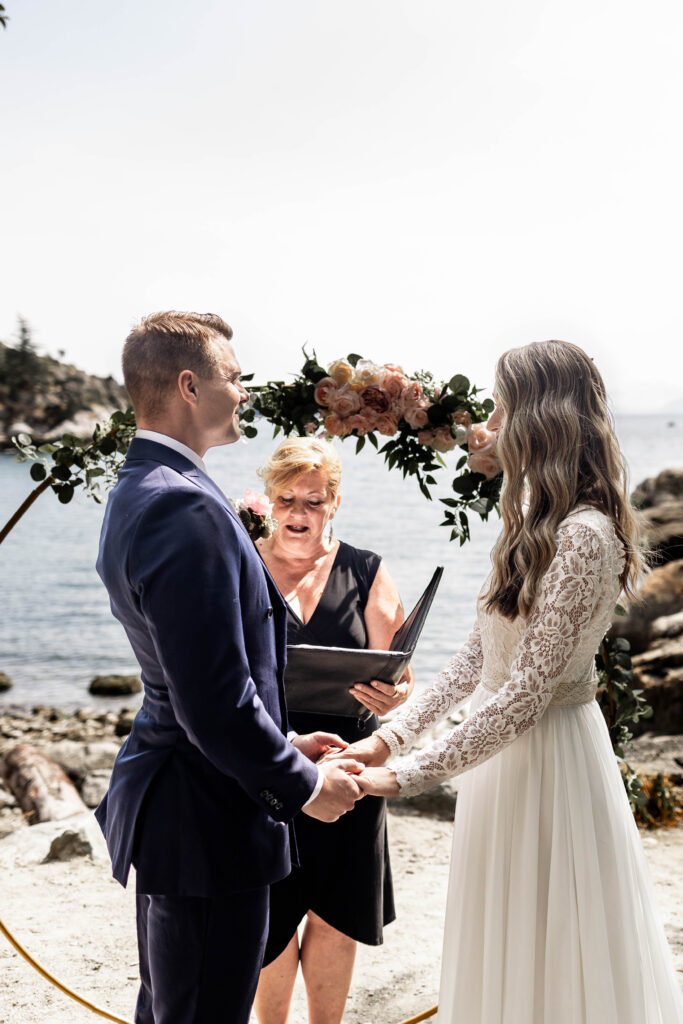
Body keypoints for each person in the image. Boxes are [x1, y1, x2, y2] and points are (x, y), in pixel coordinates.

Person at [340, 340, 683, 1023]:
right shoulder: (531, 519)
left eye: (501, 406)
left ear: (540, 416)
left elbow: (525, 693)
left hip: (551, 764)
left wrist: (404, 778)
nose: (489, 425)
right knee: (503, 948)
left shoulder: (585, 535)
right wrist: (390, 738)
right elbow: (478, 658)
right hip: (499, 763)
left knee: (555, 953)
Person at [94, 311, 365, 1024]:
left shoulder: (148, 485)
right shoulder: (181, 506)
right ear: (189, 385)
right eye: (234, 377)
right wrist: (305, 783)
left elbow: (206, 671)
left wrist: (282, 736)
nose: (244, 392)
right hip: (205, 822)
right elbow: (212, 701)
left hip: (188, 808)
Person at [252, 436, 414, 1024]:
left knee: (335, 914)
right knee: (267, 915)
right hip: (267, 759)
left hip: (349, 760)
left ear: (335, 503)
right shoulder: (240, 563)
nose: (298, 513)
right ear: (270, 499)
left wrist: (394, 692)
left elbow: (401, 676)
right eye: (287, 498)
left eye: (314, 502)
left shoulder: (367, 570)